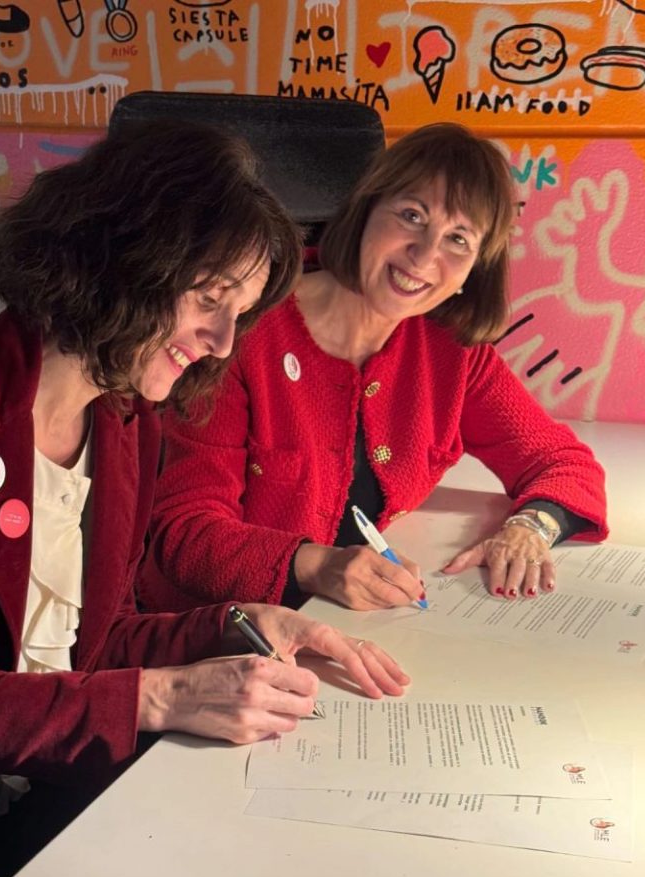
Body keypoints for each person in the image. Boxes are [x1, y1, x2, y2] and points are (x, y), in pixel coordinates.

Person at [0, 120, 410, 877]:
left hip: (32, 800)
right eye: (208, 299)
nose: (222, 342)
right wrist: (154, 699)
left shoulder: (124, 422)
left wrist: (239, 624)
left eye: (239, 313)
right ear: (117, 256)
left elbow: (90, 643)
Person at [138, 122, 608, 614]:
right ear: (366, 210)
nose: (425, 255)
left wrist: (529, 529)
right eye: (412, 216)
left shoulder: (451, 350)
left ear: (474, 270)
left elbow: (562, 462)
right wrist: (317, 565)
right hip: (209, 629)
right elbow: (186, 530)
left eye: (458, 239)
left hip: (344, 624)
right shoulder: (242, 329)